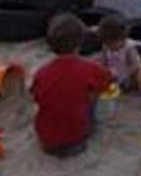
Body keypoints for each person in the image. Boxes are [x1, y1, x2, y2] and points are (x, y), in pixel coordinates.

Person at [31, 13, 112, 157]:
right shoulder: (90, 68)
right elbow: (108, 80)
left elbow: (36, 96)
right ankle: (84, 130)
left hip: (45, 139)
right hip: (75, 139)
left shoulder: (41, 73)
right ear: (79, 44)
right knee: (95, 92)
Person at [96, 13, 141, 114]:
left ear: (122, 38)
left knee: (139, 75)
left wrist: (124, 75)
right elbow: (103, 62)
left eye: (112, 43)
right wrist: (105, 73)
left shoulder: (129, 48)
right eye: (106, 43)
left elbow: (135, 65)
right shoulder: (105, 47)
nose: (109, 46)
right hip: (115, 76)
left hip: (129, 75)